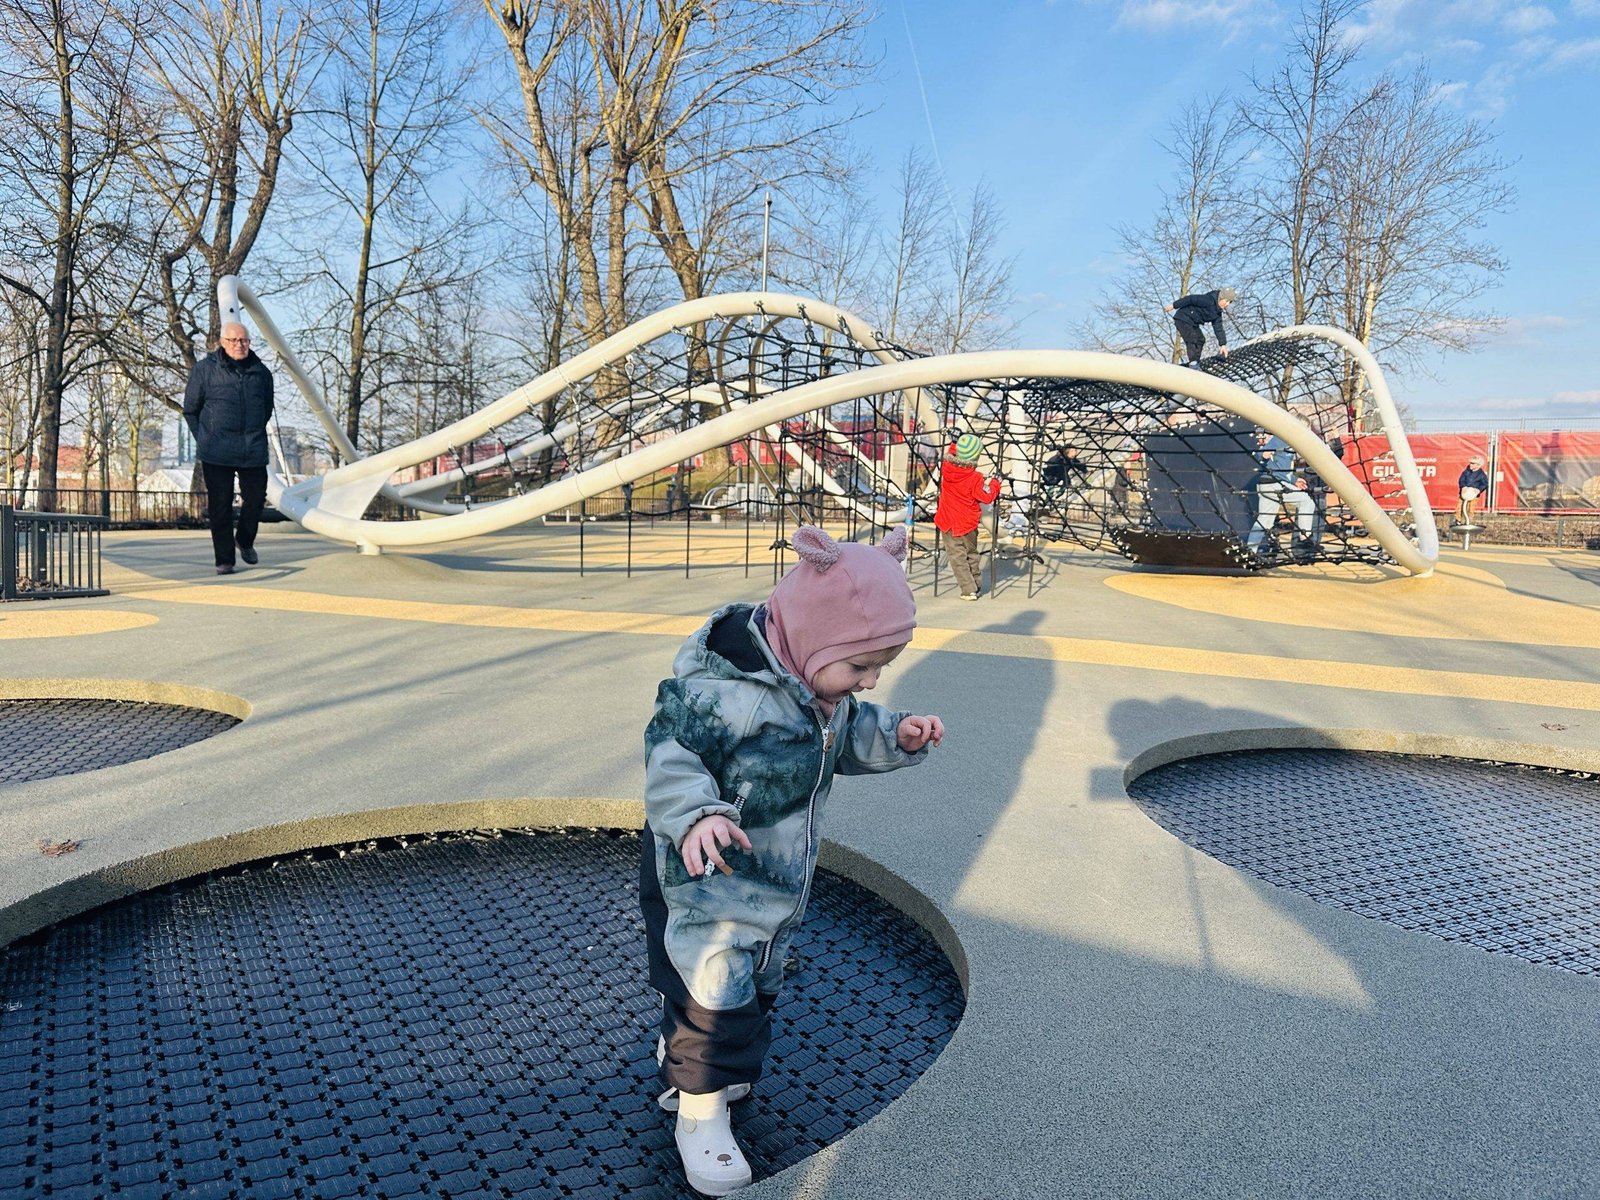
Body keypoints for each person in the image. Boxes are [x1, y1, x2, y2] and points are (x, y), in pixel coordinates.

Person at [640, 525, 943, 1196]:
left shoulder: (817, 688)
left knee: (754, 980)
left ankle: (697, 1062)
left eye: (880, 667)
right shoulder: (724, 695)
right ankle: (700, 1113)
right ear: (810, 636)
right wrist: (698, 813)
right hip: (706, 870)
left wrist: (898, 735)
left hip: (774, 880)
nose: (868, 680)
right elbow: (671, 751)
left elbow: (848, 733)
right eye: (859, 667)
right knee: (714, 988)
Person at [183, 321, 274, 575]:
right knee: (220, 506)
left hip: (252, 448)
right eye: (233, 340)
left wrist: (253, 430)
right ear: (222, 343)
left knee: (256, 499)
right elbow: (190, 410)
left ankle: (244, 539)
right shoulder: (204, 370)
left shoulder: (262, 373)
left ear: (249, 342)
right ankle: (225, 560)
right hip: (216, 450)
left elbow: (266, 409)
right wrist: (204, 438)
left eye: (243, 340)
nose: (239, 345)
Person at [933, 433, 1002, 600]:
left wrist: (954, 442)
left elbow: (952, 453)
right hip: (967, 524)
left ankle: (969, 588)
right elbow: (987, 496)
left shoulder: (946, 468)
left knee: (957, 557)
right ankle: (974, 585)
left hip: (947, 521)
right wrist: (996, 483)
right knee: (971, 553)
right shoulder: (974, 478)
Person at [1244, 429, 1315, 560]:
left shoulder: (1288, 443)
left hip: (1267, 484)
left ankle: (1250, 552)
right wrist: (1263, 455)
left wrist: (1294, 480)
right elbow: (1260, 454)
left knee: (1264, 520)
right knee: (1306, 501)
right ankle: (1305, 539)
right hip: (1273, 484)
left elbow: (1280, 470)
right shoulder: (1281, 439)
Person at [1164, 287, 1237, 367]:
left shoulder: (1217, 313)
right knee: (1193, 338)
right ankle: (1193, 363)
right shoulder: (1208, 300)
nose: (1227, 304)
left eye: (1230, 302)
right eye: (1226, 301)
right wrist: (1174, 305)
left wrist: (1223, 344)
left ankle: (1195, 362)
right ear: (1221, 298)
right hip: (1183, 318)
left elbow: (1218, 328)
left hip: (1193, 323)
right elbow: (1190, 299)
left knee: (1200, 339)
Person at [1456, 455, 1490, 527]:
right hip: (1464, 493)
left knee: (1471, 508)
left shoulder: (1481, 475)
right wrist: (1463, 486)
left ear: (1478, 465)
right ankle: (1458, 520)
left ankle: (1468, 521)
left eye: (1473, 463)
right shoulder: (1466, 472)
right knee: (1459, 507)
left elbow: (1484, 484)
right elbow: (1461, 480)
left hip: (1473, 496)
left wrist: (1478, 490)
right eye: (1470, 463)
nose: (1470, 465)